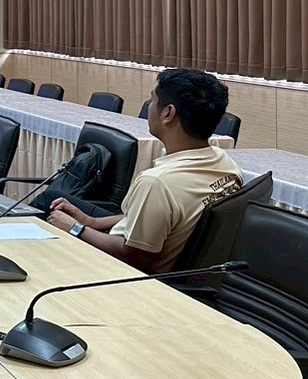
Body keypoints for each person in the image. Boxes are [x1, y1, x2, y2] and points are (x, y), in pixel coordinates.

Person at [47, 69, 243, 273]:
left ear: (168, 113)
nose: (149, 107)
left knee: (50, 209)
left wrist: (76, 228)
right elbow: (160, 219)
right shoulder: (224, 162)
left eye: (152, 100)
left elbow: (133, 257)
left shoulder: (157, 183)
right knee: (52, 197)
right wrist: (93, 222)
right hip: (184, 268)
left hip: (128, 275)